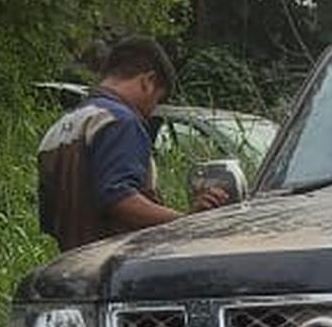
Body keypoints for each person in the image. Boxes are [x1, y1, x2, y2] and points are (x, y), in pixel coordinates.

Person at [37, 37, 224, 253]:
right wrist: (184, 222)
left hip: (72, 267)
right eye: (157, 100)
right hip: (116, 268)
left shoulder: (59, 129)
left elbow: (50, 220)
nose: (152, 110)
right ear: (148, 81)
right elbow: (119, 199)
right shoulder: (119, 120)